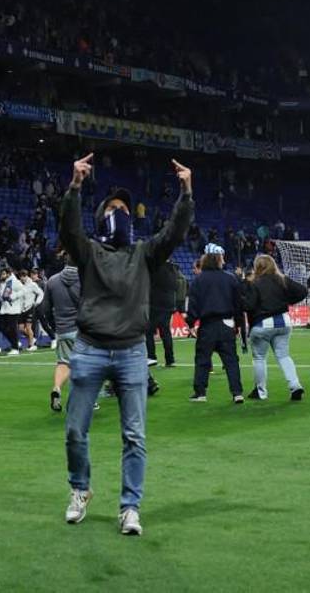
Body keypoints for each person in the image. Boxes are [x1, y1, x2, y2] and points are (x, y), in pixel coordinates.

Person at [58, 154, 193, 536]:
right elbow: (69, 229)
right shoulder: (89, 252)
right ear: (101, 217)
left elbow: (175, 233)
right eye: (114, 208)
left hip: (133, 350)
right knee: (74, 431)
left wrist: (186, 192)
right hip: (89, 349)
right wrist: (75, 186)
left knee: (134, 436)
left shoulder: (144, 254)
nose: (121, 214)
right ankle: (80, 490)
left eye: (125, 209)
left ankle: (130, 506)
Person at [241, 254, 306, 401]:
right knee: (284, 356)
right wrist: (286, 300)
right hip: (284, 321)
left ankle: (261, 391)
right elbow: (302, 291)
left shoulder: (255, 283)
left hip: (262, 324)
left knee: (259, 358)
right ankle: (295, 385)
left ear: (257, 267)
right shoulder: (282, 279)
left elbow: (248, 306)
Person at [186, 244, 245, 403]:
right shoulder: (230, 278)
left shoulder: (198, 281)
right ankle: (237, 393)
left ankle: (200, 393)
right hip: (227, 324)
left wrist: (190, 323)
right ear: (219, 259)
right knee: (231, 360)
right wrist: (238, 325)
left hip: (207, 325)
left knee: (203, 359)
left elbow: (193, 305)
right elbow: (238, 305)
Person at [44, 252, 82, 410]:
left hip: (62, 329)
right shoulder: (85, 280)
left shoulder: (52, 281)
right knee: (86, 364)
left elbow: (45, 308)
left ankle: (57, 388)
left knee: (63, 363)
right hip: (82, 330)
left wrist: (55, 327)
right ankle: (86, 399)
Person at [146, 259, 178, 368]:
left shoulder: (155, 267)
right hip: (168, 304)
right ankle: (170, 359)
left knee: (148, 332)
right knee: (166, 332)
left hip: (154, 304)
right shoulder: (173, 268)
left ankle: (151, 357)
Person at [0, 266, 26, 355]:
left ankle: (15, 348)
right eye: (1, 274)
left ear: (8, 274)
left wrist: (14, 296)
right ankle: (15, 342)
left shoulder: (15, 282)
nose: (2, 276)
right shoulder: (2, 284)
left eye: (3, 274)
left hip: (13, 309)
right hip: (4, 309)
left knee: (12, 329)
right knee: (1, 327)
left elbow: (23, 291)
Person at [19, 270, 44, 352]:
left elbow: (40, 293)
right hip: (21, 309)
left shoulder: (32, 285)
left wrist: (37, 302)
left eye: (23, 277)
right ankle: (32, 338)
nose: (21, 279)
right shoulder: (19, 285)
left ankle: (31, 345)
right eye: (20, 277)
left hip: (30, 308)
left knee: (29, 327)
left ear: (26, 276)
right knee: (21, 329)